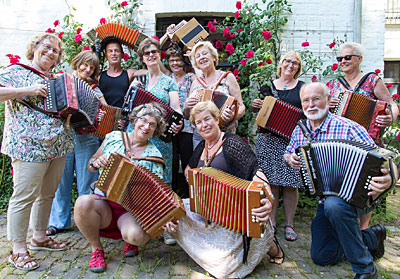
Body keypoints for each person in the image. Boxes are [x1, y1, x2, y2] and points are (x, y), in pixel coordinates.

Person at [284, 82, 395, 279]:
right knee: (322, 256)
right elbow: (289, 153)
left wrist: (391, 177)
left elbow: (385, 160)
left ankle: (365, 269)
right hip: (324, 202)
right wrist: (290, 158)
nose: (311, 105)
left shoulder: (349, 127)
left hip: (356, 197)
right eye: (306, 101)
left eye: (316, 99)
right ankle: (371, 238)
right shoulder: (300, 130)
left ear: (327, 101)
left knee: (335, 205)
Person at [163, 101, 284, 279]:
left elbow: (256, 172)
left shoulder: (232, 143)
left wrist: (268, 198)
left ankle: (268, 243)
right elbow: (189, 169)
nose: (204, 125)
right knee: (173, 210)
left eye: (207, 119)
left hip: (235, 212)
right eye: (199, 122)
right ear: (195, 127)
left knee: (224, 271)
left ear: (217, 119)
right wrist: (195, 178)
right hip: (209, 211)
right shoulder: (201, 147)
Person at [0, 33, 73, 271]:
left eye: (56, 51)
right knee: (23, 196)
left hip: (58, 145)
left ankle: (39, 237)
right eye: (47, 47)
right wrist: (27, 89)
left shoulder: (54, 78)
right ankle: (18, 250)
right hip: (28, 145)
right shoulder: (16, 71)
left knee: (47, 194)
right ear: (35, 47)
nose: (51, 53)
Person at [74, 103, 171, 273]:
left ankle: (130, 241)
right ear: (134, 120)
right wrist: (96, 163)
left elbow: (156, 196)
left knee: (137, 236)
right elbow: (90, 164)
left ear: (156, 130)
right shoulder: (113, 137)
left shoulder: (155, 157)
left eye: (152, 124)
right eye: (143, 120)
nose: (146, 126)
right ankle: (96, 249)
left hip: (129, 211)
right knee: (82, 203)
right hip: (103, 203)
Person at [327, 42, 399, 231]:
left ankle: (363, 230)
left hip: (368, 141)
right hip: (342, 143)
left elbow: (391, 104)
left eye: (347, 57)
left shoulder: (372, 81)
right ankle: (343, 227)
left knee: (366, 186)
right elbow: (325, 114)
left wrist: (390, 119)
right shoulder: (334, 85)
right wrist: (328, 105)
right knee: (343, 184)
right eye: (340, 59)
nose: (343, 61)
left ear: (359, 59)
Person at [47, 50, 106, 236]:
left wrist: (101, 114)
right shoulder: (62, 81)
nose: (87, 70)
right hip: (64, 135)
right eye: (85, 65)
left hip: (86, 137)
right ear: (77, 62)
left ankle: (85, 220)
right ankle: (59, 221)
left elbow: (104, 109)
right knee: (61, 180)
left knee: (86, 180)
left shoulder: (94, 88)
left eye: (92, 67)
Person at [250, 51, 304, 241]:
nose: (291, 65)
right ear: (281, 64)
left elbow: (307, 114)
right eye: (287, 61)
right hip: (268, 139)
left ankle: (289, 224)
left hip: (292, 141)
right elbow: (258, 114)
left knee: (291, 184)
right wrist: (255, 106)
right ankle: (271, 222)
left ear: (298, 68)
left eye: (295, 63)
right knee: (270, 181)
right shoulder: (267, 88)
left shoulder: (303, 88)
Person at [183, 41, 245, 148]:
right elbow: (188, 116)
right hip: (201, 138)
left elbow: (241, 107)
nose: (201, 57)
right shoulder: (195, 83)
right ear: (196, 64)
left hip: (224, 135)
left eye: (205, 53)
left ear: (214, 57)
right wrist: (186, 107)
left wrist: (232, 116)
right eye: (198, 56)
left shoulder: (227, 78)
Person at [165, 46, 196, 197]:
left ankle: (187, 195)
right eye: (172, 60)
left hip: (187, 126)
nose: (175, 63)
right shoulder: (166, 77)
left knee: (186, 159)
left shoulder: (191, 77)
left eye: (178, 60)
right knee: (171, 161)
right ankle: (173, 195)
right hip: (169, 126)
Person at [99, 37, 145, 108]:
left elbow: (151, 70)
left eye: (116, 51)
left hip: (124, 116)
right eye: (110, 51)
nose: (113, 53)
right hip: (105, 117)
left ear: (122, 55)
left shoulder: (129, 74)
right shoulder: (99, 77)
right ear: (106, 56)